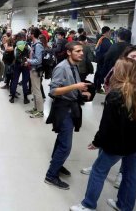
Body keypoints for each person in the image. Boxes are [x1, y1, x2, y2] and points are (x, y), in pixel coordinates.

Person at [70, 58, 136, 211]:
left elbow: (107, 125)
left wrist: (97, 142)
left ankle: (88, 205)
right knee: (130, 174)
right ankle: (124, 206)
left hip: (116, 145)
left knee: (98, 171)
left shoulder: (115, 94)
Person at [44, 41, 92, 190]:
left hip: (71, 106)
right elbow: (53, 91)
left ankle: (56, 164)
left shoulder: (73, 66)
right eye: (77, 51)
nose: (81, 53)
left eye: (81, 51)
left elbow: (72, 85)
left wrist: (81, 91)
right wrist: (76, 87)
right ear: (69, 52)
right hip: (63, 108)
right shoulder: (62, 67)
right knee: (66, 145)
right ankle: (51, 175)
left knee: (61, 140)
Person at [25, 27, 44, 118]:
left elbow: (38, 61)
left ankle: (40, 111)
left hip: (36, 70)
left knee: (37, 91)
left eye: (29, 33)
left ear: (32, 34)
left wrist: (28, 61)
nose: (28, 35)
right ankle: (36, 108)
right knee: (34, 90)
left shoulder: (38, 45)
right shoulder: (34, 44)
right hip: (33, 70)